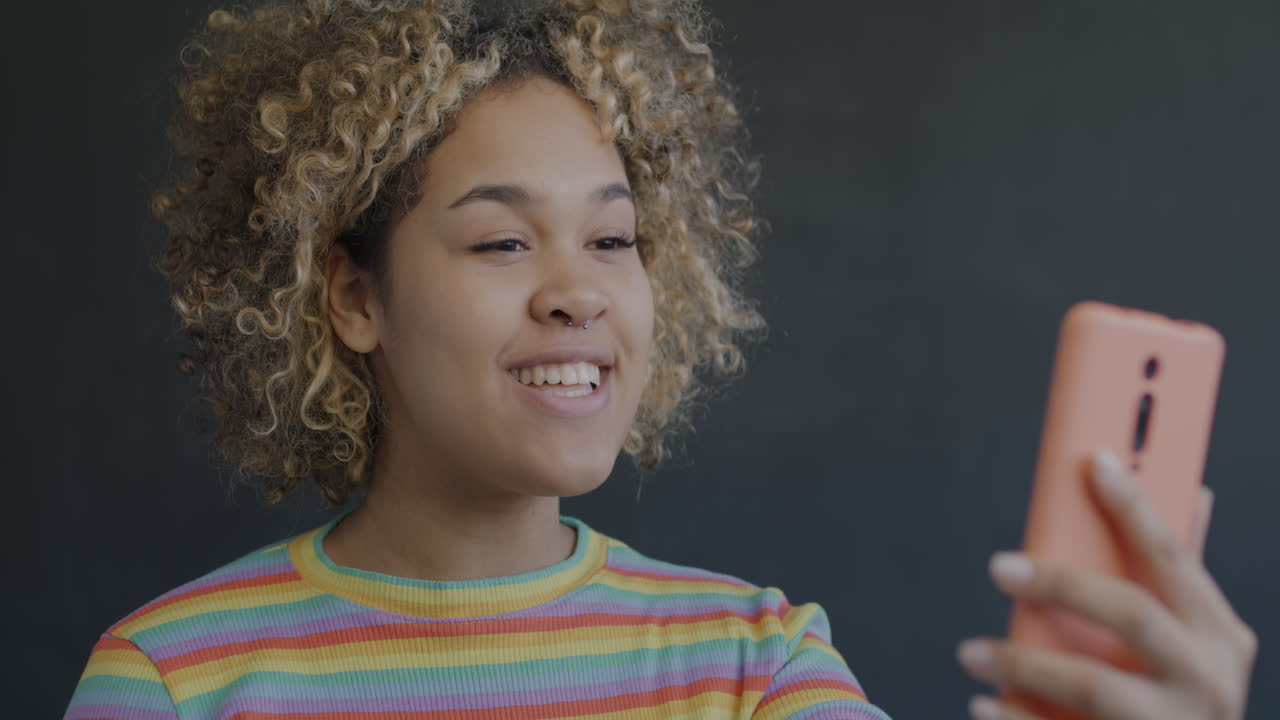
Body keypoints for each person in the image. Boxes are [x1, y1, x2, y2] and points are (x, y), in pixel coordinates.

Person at [64, 1, 1256, 718]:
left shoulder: (756, 664)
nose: (579, 290)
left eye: (612, 239)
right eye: (499, 240)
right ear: (352, 295)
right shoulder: (171, 680)